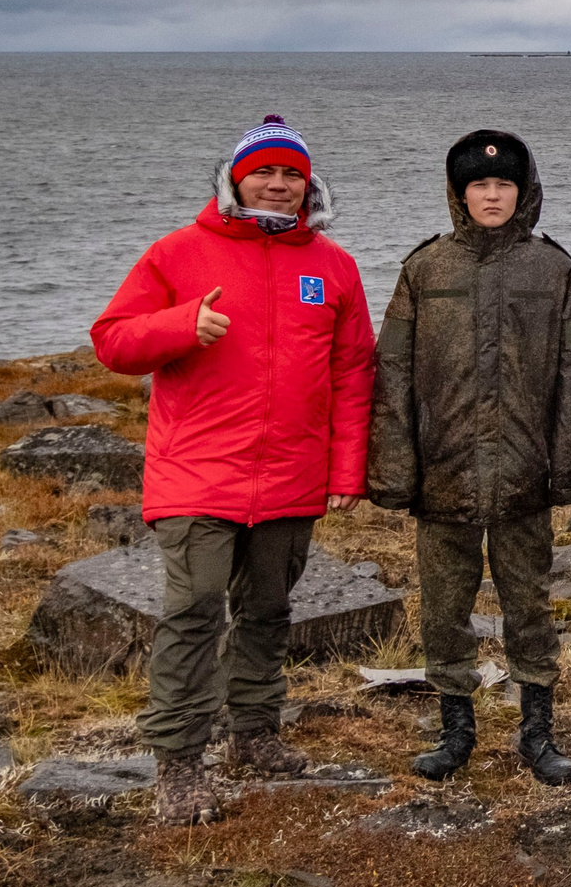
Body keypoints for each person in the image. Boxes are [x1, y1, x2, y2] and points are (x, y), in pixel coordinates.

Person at [90, 115, 375, 825]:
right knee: (193, 610)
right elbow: (113, 340)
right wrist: (181, 326)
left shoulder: (333, 266)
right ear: (236, 177)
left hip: (291, 472)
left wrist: (347, 469)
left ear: (308, 187)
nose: (278, 185)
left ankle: (254, 733)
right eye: (265, 172)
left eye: (292, 175)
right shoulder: (179, 253)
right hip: (197, 473)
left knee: (270, 608)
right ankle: (180, 760)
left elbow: (353, 371)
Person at [367, 129, 571, 787]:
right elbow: (394, 376)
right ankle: (455, 730)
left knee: (530, 606)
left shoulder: (553, 269)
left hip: (524, 475)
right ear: (459, 194)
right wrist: (395, 471)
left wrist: (567, 466)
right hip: (444, 475)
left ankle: (537, 731)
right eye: (479, 185)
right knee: (443, 610)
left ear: (523, 192)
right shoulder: (425, 268)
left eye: (503, 184)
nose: (492, 194)